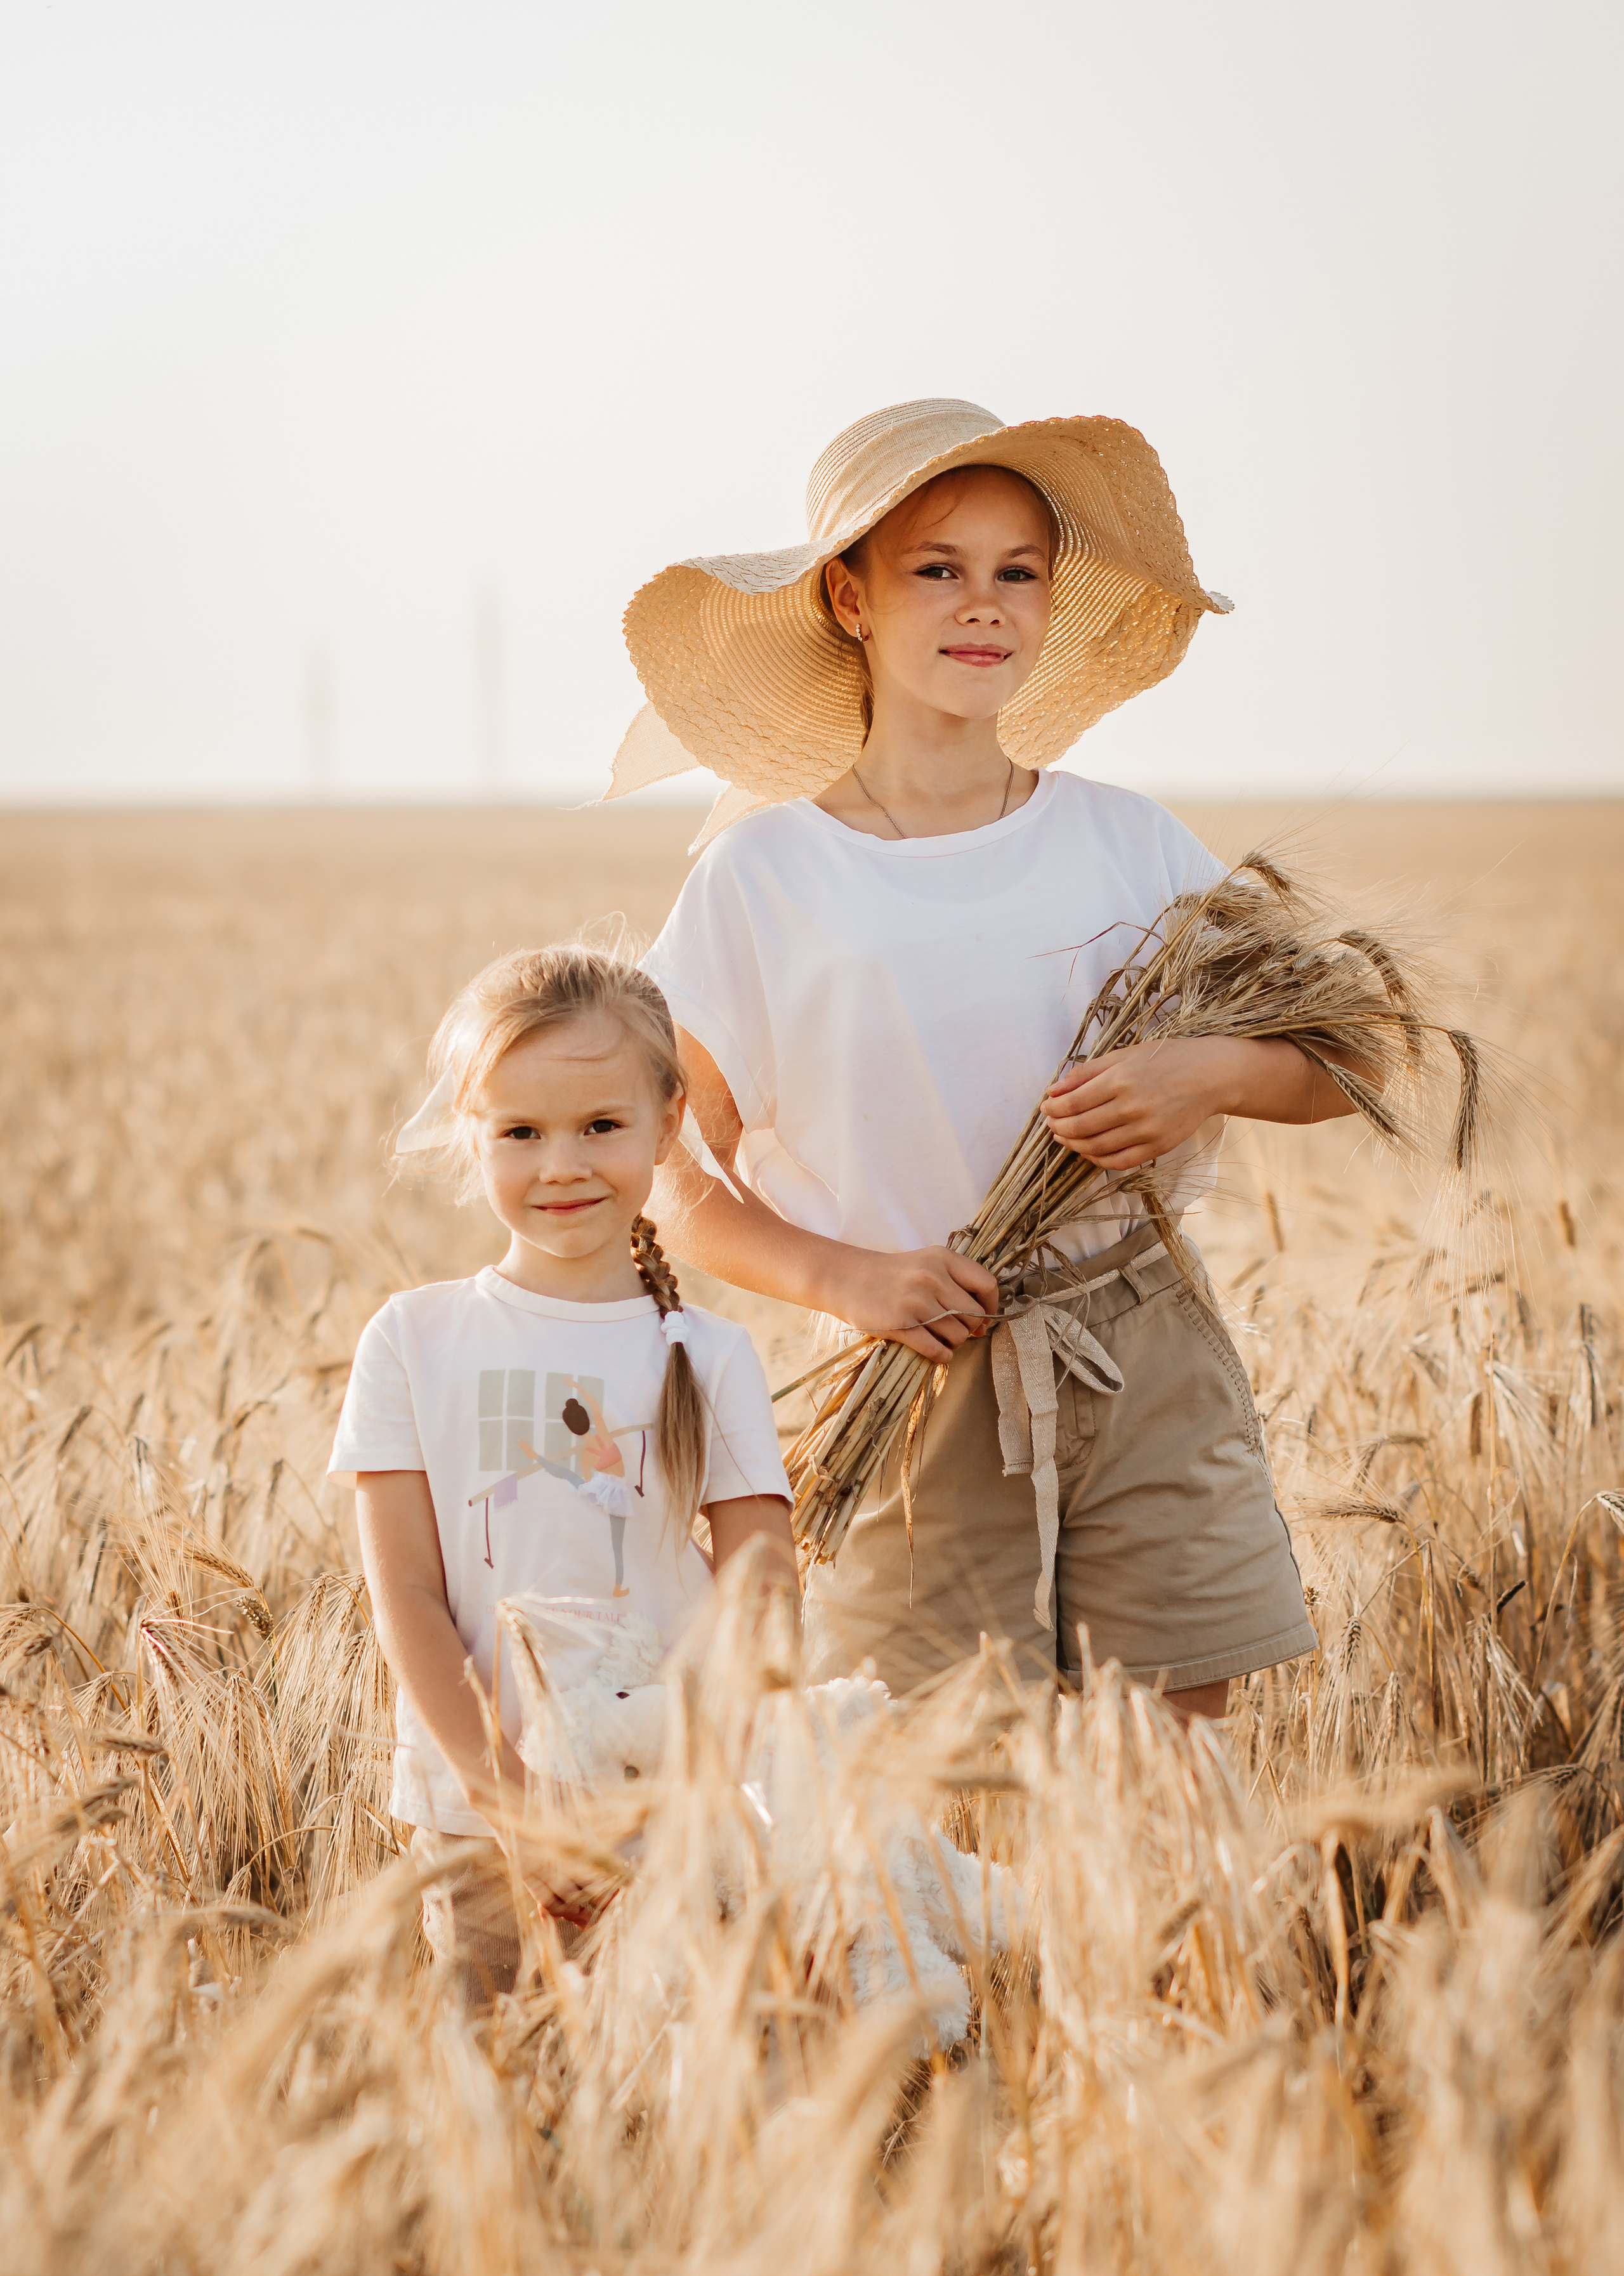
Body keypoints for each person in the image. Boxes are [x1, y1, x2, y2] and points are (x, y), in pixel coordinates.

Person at [618, 397, 1356, 1717]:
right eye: (937, 570)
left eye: (1018, 573)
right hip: (912, 1364)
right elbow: (666, 1168)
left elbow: (1344, 1051)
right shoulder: (763, 875)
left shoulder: (1125, 841)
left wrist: (1209, 1077)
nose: (983, 605)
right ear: (849, 598)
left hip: (1140, 1342)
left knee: (1171, 1760)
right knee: (929, 1765)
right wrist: (845, 1278)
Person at [328, 944, 794, 1995]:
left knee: (677, 2078)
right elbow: (406, 1595)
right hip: (479, 1825)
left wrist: (695, 1789)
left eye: (601, 1126)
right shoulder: (412, 1341)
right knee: (500, 2075)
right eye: (522, 1133)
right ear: (473, 1131)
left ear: (667, 1125)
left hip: (677, 1818)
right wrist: (513, 1805)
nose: (562, 1165)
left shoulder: (709, 1357)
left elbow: (762, 1594)